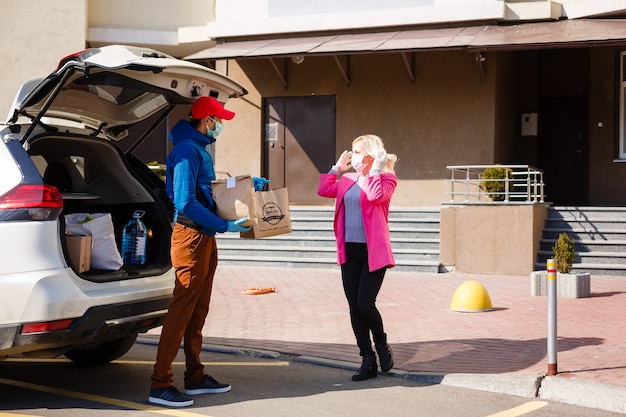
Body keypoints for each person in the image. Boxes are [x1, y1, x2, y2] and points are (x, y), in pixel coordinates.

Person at [149, 96, 253, 408]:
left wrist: (246, 182)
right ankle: (160, 384)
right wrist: (227, 226)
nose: (220, 126)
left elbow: (209, 188)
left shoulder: (198, 149)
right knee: (182, 311)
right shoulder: (186, 151)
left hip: (203, 237)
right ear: (206, 121)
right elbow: (185, 202)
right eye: (218, 120)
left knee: (198, 310)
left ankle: (194, 377)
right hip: (191, 237)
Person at [317, 134, 398, 381]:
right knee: (354, 307)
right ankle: (367, 358)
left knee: (365, 303)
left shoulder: (386, 179)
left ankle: (382, 344)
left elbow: (374, 196)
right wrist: (337, 168)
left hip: (374, 253)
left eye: (359, 151)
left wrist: (375, 169)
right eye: (352, 151)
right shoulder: (348, 179)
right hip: (349, 252)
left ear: (373, 154)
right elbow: (323, 190)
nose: (354, 156)